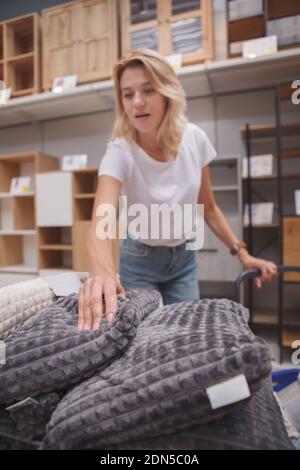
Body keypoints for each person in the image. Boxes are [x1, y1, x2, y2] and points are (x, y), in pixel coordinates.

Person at [77, 48, 277, 331]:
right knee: (143, 340)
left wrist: (243, 254)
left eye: (148, 90)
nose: (137, 102)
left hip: (184, 259)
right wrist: (103, 275)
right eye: (128, 93)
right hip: (139, 259)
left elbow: (208, 207)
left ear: (167, 92)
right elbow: (101, 222)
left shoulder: (194, 139)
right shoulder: (120, 150)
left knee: (185, 335)